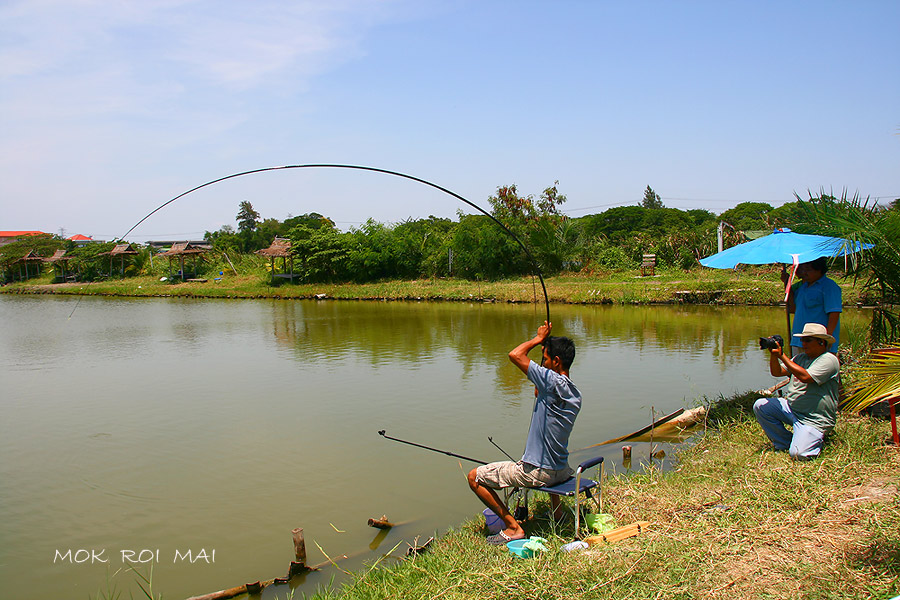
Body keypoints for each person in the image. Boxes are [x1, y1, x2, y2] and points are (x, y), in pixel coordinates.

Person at [467, 320, 581, 545]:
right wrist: (543, 380)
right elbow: (550, 394)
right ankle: (557, 514)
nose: (544, 363)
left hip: (538, 473)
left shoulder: (550, 381)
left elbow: (515, 354)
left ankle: (513, 527)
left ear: (556, 361)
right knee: (548, 462)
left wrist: (538, 339)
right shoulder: (574, 393)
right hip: (562, 470)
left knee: (474, 477)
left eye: (546, 359)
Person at [752, 323, 839, 460]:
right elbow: (777, 372)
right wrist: (774, 355)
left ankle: (813, 439)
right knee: (761, 406)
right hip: (793, 409)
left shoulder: (829, 360)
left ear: (821, 342)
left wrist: (782, 356)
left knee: (799, 454)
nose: (803, 343)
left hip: (814, 419)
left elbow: (806, 377)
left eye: (808, 340)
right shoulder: (800, 358)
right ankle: (784, 442)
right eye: (802, 340)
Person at [781, 257, 842, 354]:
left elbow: (834, 313)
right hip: (799, 340)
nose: (804, 272)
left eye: (808, 269)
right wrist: (787, 283)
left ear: (819, 270)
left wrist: (827, 338)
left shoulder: (829, 287)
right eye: (803, 269)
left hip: (818, 342)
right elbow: (793, 309)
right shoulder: (803, 287)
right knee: (797, 367)